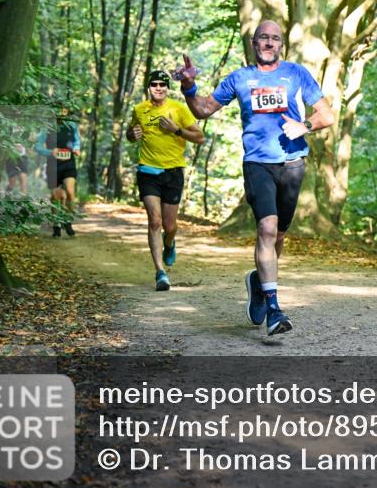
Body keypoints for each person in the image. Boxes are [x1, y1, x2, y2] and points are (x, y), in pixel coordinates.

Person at [176, 20, 334, 335]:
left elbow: (326, 114)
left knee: (279, 236)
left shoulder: (297, 74)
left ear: (281, 45)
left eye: (275, 39)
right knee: (266, 227)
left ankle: (260, 283)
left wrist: (306, 126)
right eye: (264, 37)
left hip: (292, 162)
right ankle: (274, 308)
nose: (269, 43)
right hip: (257, 163)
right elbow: (203, 110)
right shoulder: (240, 78)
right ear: (254, 42)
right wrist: (188, 87)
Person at [127, 70, 204, 291]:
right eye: (154, 84)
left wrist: (177, 130)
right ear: (148, 87)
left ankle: (169, 244)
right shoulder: (139, 109)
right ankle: (160, 272)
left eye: (162, 84)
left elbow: (199, 137)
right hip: (148, 171)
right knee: (154, 221)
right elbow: (130, 133)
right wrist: (132, 135)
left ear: (167, 87)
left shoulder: (178, 109)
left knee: (169, 226)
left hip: (173, 172)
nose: (158, 88)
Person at [36, 107, 81, 237]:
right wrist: (50, 152)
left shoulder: (72, 125)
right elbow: (37, 147)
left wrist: (76, 148)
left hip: (69, 163)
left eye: (64, 110)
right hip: (53, 165)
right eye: (58, 110)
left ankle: (67, 221)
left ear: (67, 112)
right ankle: (56, 224)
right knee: (57, 197)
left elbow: (77, 141)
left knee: (70, 194)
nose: (61, 113)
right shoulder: (47, 128)